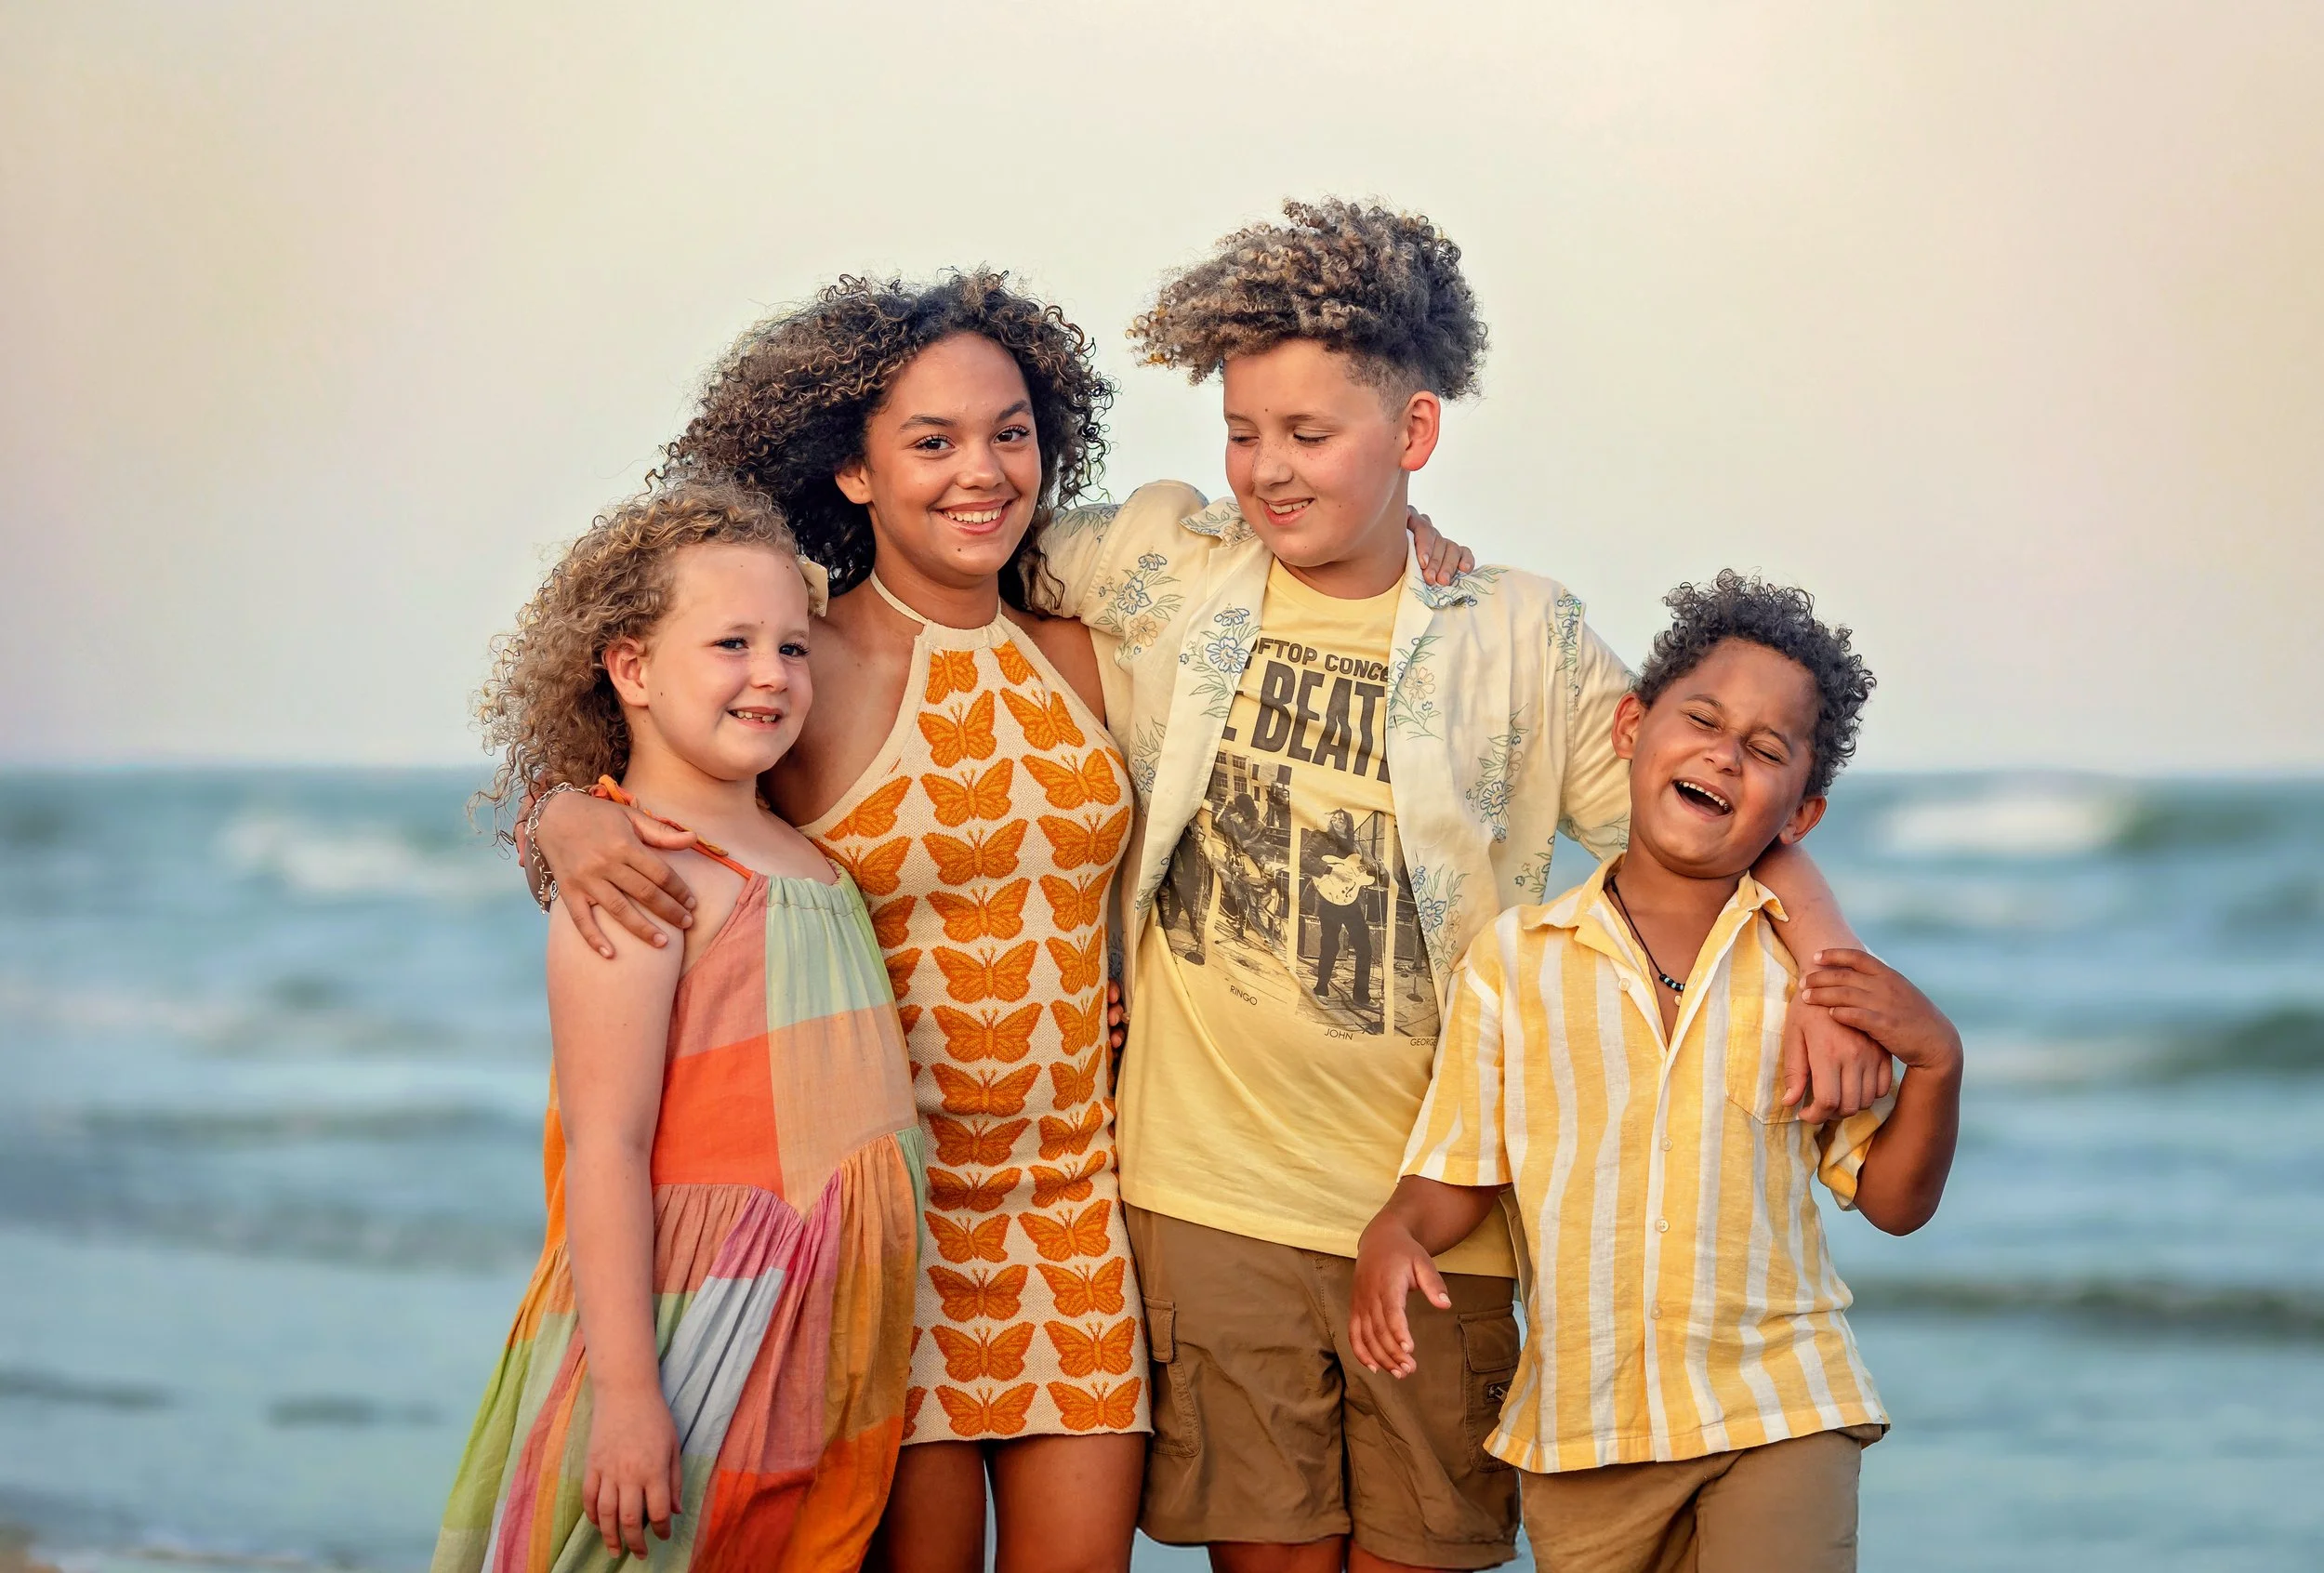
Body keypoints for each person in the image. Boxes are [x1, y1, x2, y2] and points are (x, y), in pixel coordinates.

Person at [522, 273, 1475, 1573]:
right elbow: (668, 749)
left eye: (1010, 433)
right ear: (852, 474)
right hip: (890, 1240)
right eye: (932, 442)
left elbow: (1289, 593)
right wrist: (561, 811)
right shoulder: (805, 665)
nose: (982, 472)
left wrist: (1424, 550)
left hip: (1077, 1209)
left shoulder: (1085, 649)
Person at [1031, 199, 1895, 1571]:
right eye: (1243, 432)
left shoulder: (1520, 636)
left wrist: (1835, 985)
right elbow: (956, 556)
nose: (1266, 470)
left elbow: (1719, 818)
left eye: (1310, 437)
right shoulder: (1160, 560)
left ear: (1414, 436)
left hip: (1454, 1219)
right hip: (1207, 1195)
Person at [1352, 573, 1963, 1573]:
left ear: (1798, 814)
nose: (1725, 753)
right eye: (1703, 720)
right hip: (1584, 1437)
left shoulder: (1807, 981)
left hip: (1780, 1403)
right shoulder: (1518, 960)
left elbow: (1892, 1202)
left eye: (1766, 751)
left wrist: (1938, 1061)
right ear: (1631, 727)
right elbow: (1458, 1168)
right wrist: (1394, 1232)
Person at [435, 482, 923, 1573]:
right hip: (691, 1326)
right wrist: (625, 1396)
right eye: (731, 644)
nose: (771, 675)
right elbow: (606, 1144)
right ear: (633, 669)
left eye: (793, 648)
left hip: (817, 1330)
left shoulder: (806, 853)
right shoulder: (635, 878)